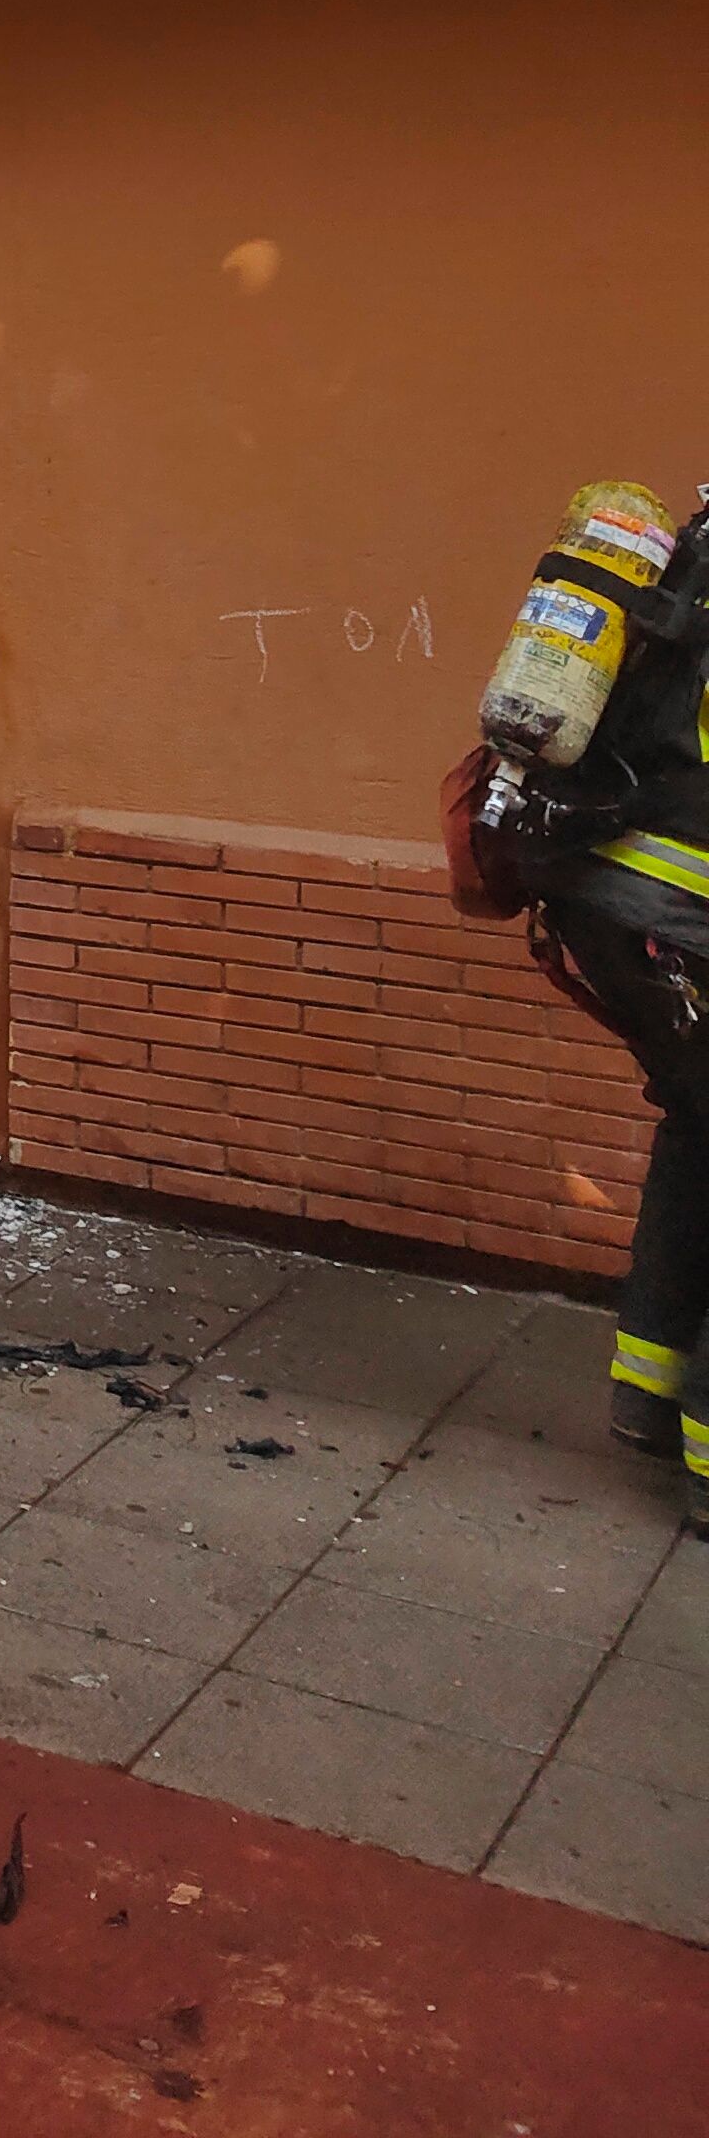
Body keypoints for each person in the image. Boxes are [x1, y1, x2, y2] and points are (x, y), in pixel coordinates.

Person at [450, 515, 709, 1532]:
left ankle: (644, 1394)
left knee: (698, 1124)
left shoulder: (688, 569)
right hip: (684, 911)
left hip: (598, 888)